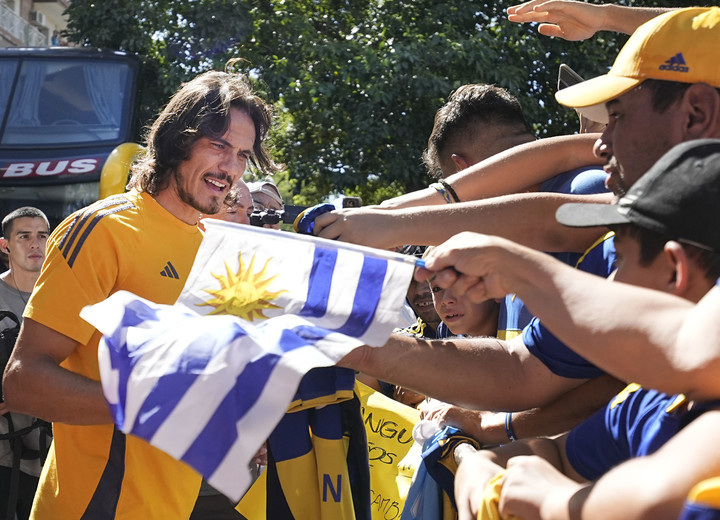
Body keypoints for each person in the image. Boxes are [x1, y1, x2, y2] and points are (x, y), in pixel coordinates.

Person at [2, 68, 278, 519]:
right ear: (177, 141)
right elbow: (23, 381)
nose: (231, 168)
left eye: (243, 154)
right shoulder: (103, 229)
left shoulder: (214, 246)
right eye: (219, 145)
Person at [438, 138, 720, 520]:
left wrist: (555, 502)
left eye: (618, 258)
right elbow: (559, 454)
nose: (606, 281)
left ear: (676, 269)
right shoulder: (651, 400)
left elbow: (656, 500)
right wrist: (477, 465)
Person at [0, 207, 50, 520]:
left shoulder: (67, 294)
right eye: (24, 236)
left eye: (42, 236)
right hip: (4, 451)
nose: (35, 244)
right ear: (5, 246)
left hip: (53, 450)